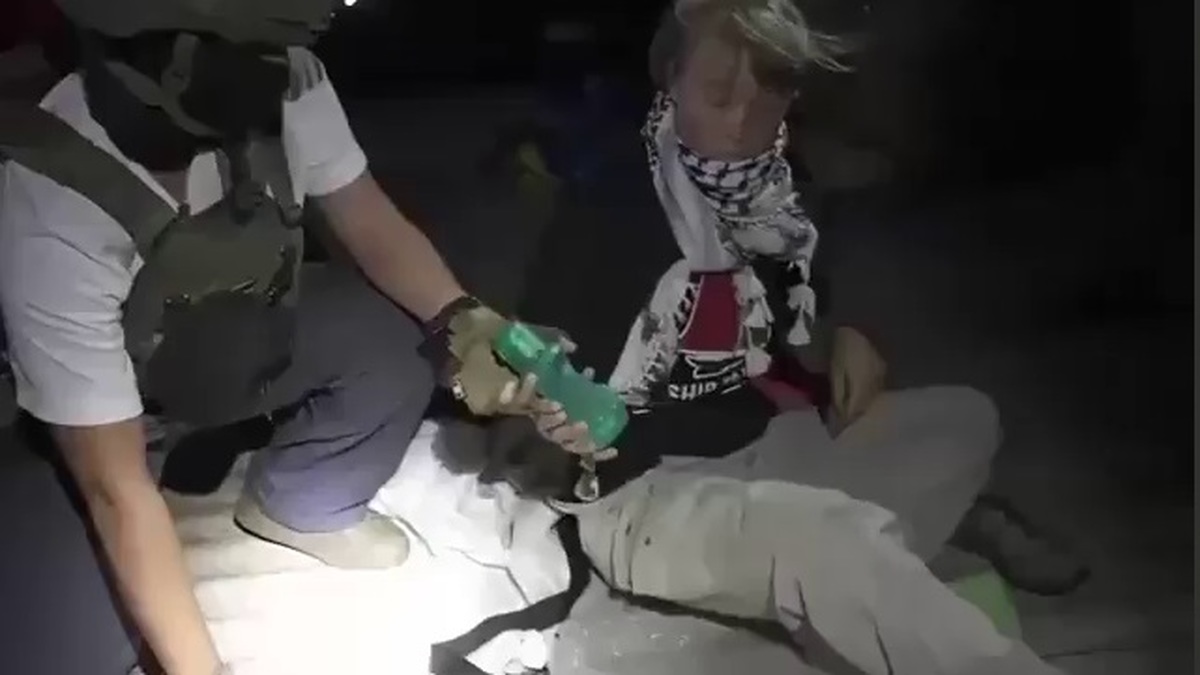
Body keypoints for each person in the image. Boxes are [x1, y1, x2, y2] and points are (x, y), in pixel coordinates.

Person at [436, 1, 1080, 672]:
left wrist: (856, 324)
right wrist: (537, 415)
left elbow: (832, 243)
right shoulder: (608, 202)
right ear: (671, 81)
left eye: (769, 92)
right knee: (830, 543)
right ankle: (856, 575)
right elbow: (534, 365)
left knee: (965, 419)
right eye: (719, 93)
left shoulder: (776, 182)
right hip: (650, 494)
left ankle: (840, 579)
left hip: (767, 447)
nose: (744, 118)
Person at [0, 2, 558, 674]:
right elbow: (114, 488)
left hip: (241, 335)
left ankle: (302, 501)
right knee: (69, 647)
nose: (285, 68)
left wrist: (467, 325)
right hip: (111, 416)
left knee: (396, 328)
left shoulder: (284, 77)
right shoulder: (51, 199)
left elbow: (369, 222)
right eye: (261, 51)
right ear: (177, 61)